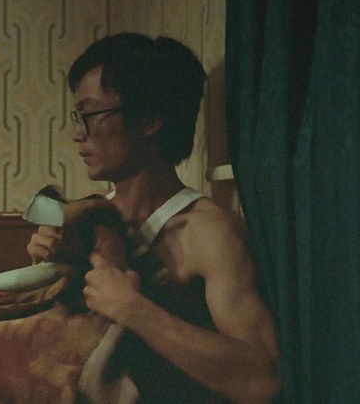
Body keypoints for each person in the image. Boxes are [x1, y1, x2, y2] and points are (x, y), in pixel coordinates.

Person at [27, 33, 281, 403]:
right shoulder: (93, 216)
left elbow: (262, 381)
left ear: (149, 120)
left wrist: (133, 309)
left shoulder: (207, 232)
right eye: (77, 117)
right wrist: (43, 265)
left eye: (90, 115)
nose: (77, 134)